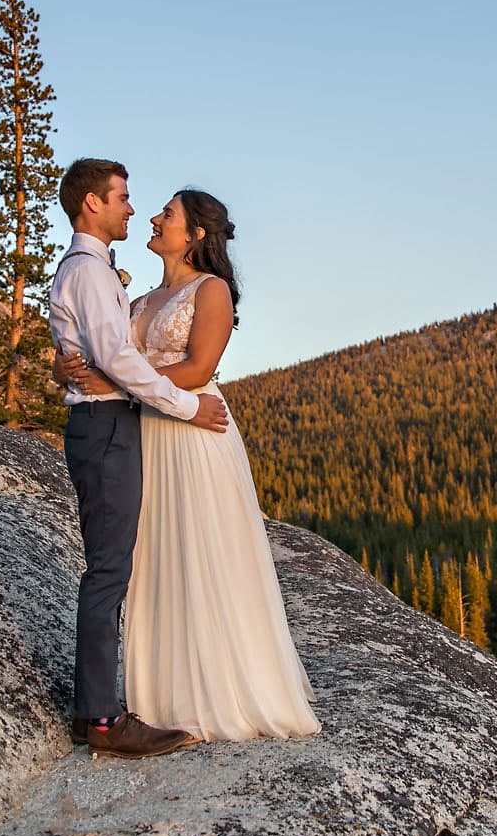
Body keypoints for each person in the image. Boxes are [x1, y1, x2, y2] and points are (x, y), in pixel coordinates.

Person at [58, 188, 320, 742]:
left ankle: (224, 687)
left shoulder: (212, 290)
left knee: (206, 555)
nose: (153, 217)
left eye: (167, 214)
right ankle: (165, 692)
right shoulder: (141, 300)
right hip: (144, 434)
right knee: (155, 561)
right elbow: (105, 351)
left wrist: (117, 383)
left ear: (196, 234)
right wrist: (72, 367)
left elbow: (200, 368)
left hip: (194, 436)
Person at [48, 158, 229, 759]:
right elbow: (119, 363)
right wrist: (184, 405)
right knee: (109, 571)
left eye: (148, 205)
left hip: (126, 426)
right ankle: (100, 718)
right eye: (123, 197)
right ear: (92, 205)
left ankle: (113, 705)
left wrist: (74, 367)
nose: (135, 208)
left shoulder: (97, 272)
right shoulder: (93, 274)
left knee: (124, 565)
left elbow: (107, 357)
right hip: (110, 428)